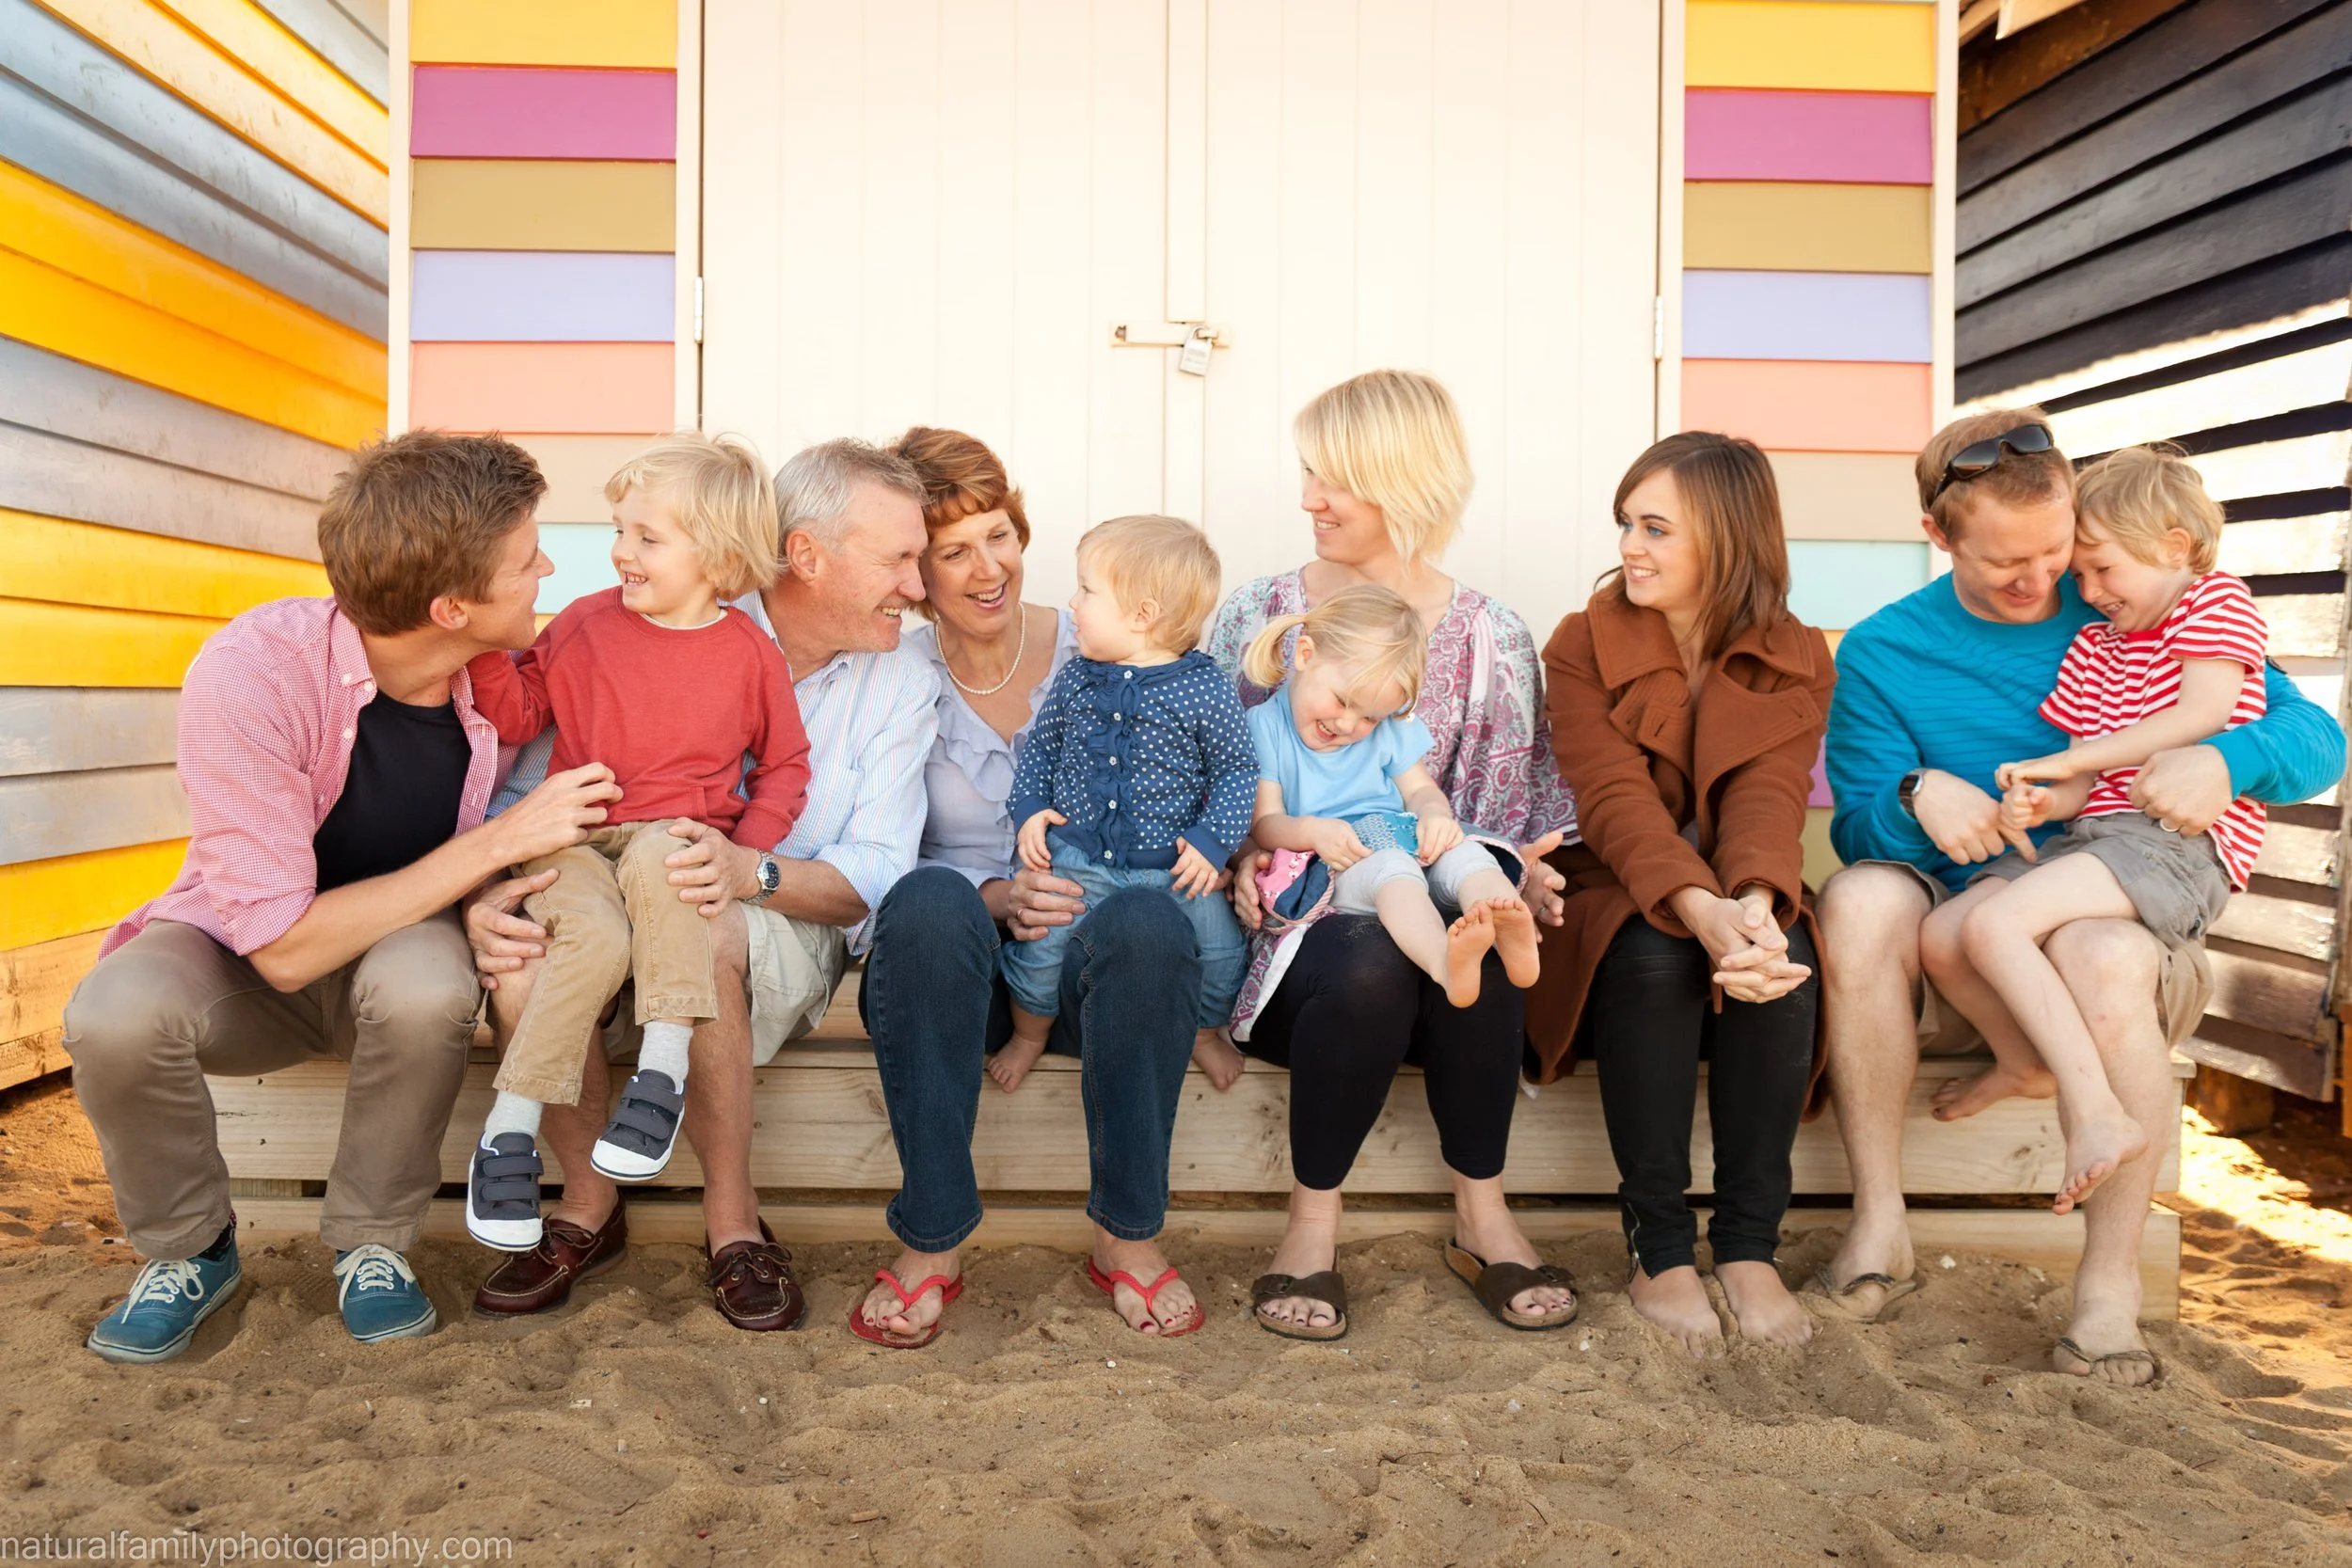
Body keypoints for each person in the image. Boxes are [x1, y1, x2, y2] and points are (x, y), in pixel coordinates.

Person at [64, 432, 624, 1362]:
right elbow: (279, 947)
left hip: (406, 953)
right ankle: (191, 1250)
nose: (546, 570)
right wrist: (493, 846)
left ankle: (372, 1243)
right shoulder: (253, 674)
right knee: (114, 1009)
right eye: (527, 560)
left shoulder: (509, 680)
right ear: (450, 606)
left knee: (426, 984)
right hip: (249, 954)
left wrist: (494, 886)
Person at [1818, 406, 2344, 1386]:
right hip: (1970, 934)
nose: (2042, 582)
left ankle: (2107, 1292)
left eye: (2055, 550)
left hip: (2120, 920)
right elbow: (1854, 826)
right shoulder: (1885, 650)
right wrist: (1915, 798)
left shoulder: (2125, 593)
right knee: (1857, 898)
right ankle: (1879, 1220)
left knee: (2096, 951)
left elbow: (2315, 739)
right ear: (1938, 538)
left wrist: (2227, 761)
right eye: (2003, 563)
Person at [465, 438, 938, 1333]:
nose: (917, 589)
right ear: (806, 555)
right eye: (899, 560)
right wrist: (492, 884)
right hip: (605, 879)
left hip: (772, 914)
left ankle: (731, 1222)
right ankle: (585, 1206)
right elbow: (526, 778)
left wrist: (748, 866)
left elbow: (871, 878)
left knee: (707, 914)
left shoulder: (899, 679)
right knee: (524, 953)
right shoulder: (630, 613)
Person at [1203, 369, 1578, 1339]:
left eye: (1333, 479)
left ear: (1404, 484)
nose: (1306, 499)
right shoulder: (1261, 616)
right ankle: (1309, 1230)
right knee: (1369, 954)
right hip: (1302, 937)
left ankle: (1482, 1214)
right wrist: (1241, 844)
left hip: (1430, 905)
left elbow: (1495, 806)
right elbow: (1210, 772)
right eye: (1306, 473)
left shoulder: (1490, 636)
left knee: (1485, 923)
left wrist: (1520, 870)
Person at [854, 430, 1217, 1347]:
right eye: (953, 550)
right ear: (914, 569)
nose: (988, 568)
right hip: (962, 970)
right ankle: (932, 1238)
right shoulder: (894, 672)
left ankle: (1127, 1238)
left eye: (1000, 535)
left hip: (1098, 958)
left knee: (1144, 916)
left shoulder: (1110, 644)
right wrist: (998, 898)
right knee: (932, 897)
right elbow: (877, 855)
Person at [461, 436, 811, 1249]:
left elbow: (787, 764)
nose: (621, 552)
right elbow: (517, 714)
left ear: (718, 557)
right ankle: (508, 1126)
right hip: (576, 837)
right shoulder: (585, 623)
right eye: (620, 530)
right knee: (585, 934)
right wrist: (481, 643)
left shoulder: (751, 655)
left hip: (671, 843)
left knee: (673, 861)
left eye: (646, 538)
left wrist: (741, 851)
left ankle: (661, 1072)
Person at [1528, 433, 1833, 1356]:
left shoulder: (1797, 652)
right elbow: (1616, 805)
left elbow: (1767, 800)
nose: (1630, 545)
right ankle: (1657, 1244)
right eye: (1626, 523)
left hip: (1739, 879)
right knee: (1655, 954)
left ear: (1728, 538)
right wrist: (1699, 913)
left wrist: (1746, 905)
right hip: (1613, 886)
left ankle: (1747, 1245)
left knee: (1788, 959)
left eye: (1656, 527)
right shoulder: (1583, 640)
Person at [1920, 446, 2265, 1217]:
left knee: (2000, 922)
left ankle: (2095, 1109)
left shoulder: (2213, 601)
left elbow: (2202, 715)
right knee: (1947, 931)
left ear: (2174, 548)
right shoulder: (2095, 646)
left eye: (2101, 569)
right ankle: (2022, 1061)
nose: (2086, 589)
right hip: (2097, 837)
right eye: (2080, 574)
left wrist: (2070, 757)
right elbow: (2079, 784)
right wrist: (2039, 799)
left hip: (2174, 843)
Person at [996, 515, 1255, 1092]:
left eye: (1087, 590)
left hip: (1176, 872)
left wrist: (1213, 845)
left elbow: (1238, 771)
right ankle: (1029, 1036)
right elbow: (1040, 750)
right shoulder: (1077, 679)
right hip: (1076, 863)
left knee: (1218, 953)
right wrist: (1031, 808)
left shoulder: (1205, 688)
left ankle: (1205, 1034)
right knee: (1039, 954)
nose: (1072, 601)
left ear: (1141, 615)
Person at [1241, 584, 1540, 1007]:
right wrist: (1311, 831)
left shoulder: (1386, 727)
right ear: (1305, 656)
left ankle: (1506, 920)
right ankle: (1443, 960)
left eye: (1369, 717)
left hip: (1398, 831)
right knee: (1393, 870)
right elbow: (1265, 823)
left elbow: (1419, 790)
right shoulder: (1265, 727)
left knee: (1466, 855)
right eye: (1343, 702)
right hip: (1336, 861)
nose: (1348, 725)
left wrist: (1436, 815)